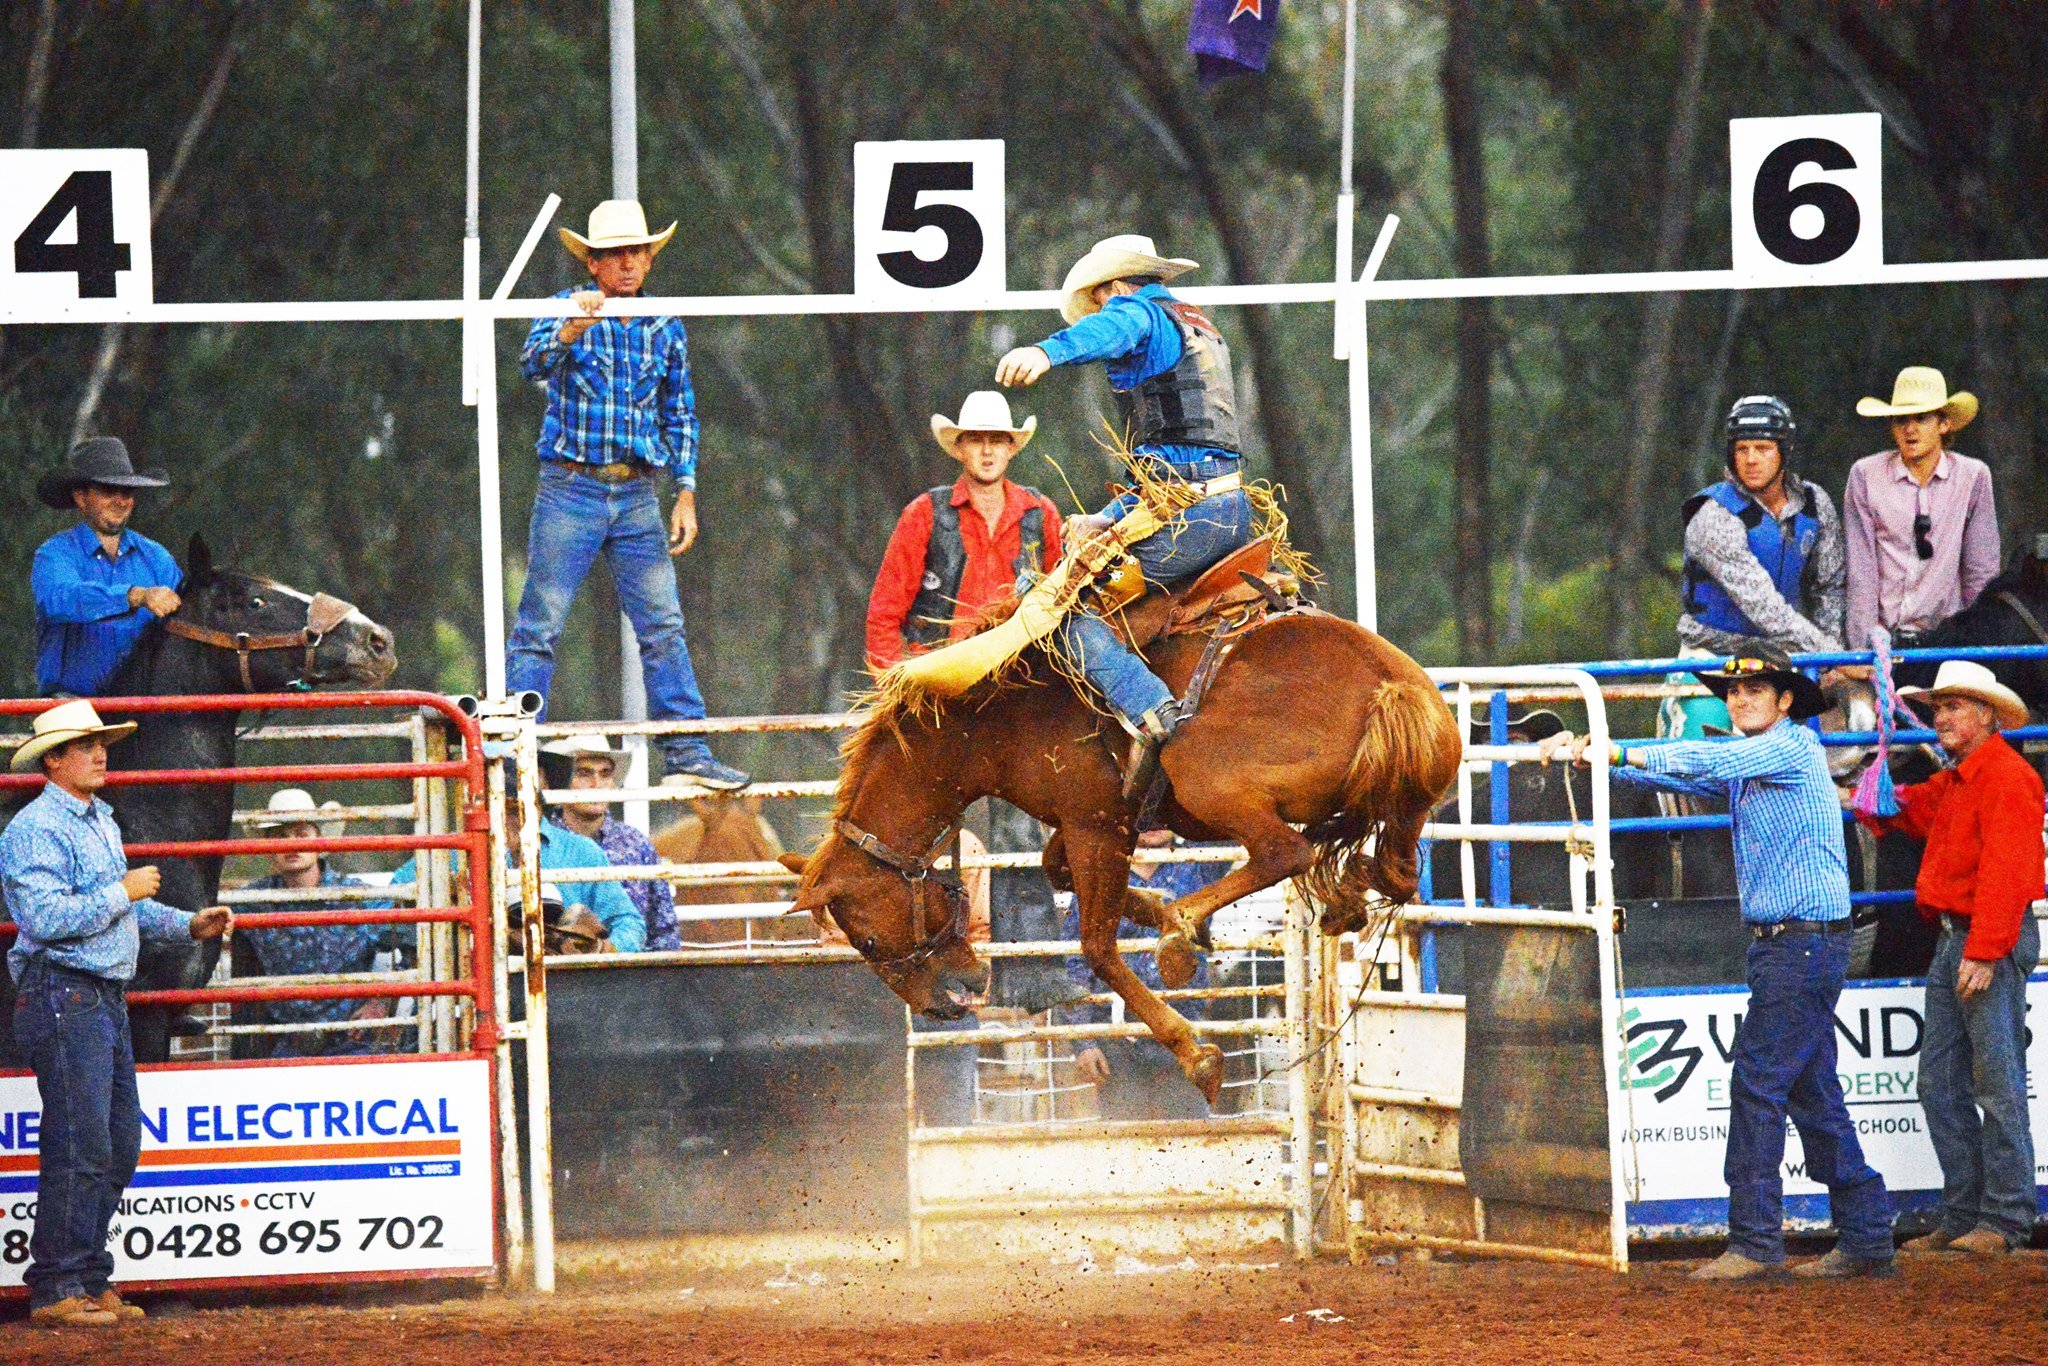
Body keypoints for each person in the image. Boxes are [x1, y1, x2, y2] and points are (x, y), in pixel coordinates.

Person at [1542, 645, 1894, 1280]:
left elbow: (1709, 762)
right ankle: (1866, 1234)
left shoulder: (1786, 749)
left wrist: (1615, 753)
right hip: (1796, 945)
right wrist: (1600, 757)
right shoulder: (1773, 754)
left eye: (1754, 689)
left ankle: (1756, 1242)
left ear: (1784, 701)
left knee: (1759, 1084)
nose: (1739, 699)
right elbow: (1693, 773)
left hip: (1798, 945)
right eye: (1734, 692)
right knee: (1810, 1092)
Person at [995, 234, 1254, 793]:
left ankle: (1153, 709)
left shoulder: (1137, 312)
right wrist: (1110, 515)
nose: (1101, 313)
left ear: (1114, 286)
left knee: (1056, 605)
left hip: (1192, 515)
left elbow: (1115, 328)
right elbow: (1171, 469)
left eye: (1099, 301)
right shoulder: (1197, 323)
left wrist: (1045, 352)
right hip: (1228, 505)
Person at [0, 701, 232, 1326]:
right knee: (86, 1142)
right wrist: (121, 892)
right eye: (86, 745)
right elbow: (44, 918)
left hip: (93, 996)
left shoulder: (94, 818)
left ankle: (80, 1276)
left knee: (114, 1142)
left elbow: (118, 909)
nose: (101, 753)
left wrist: (186, 924)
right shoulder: (34, 829)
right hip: (66, 993)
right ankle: (59, 1286)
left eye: (101, 743)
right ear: (54, 760)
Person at [510, 199, 748, 793]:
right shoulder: (565, 306)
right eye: (614, 254)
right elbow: (531, 362)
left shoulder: (663, 323)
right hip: (571, 486)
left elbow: (679, 411)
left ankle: (687, 751)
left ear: (648, 259)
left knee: (663, 625)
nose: (627, 264)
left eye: (636, 252)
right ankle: (516, 756)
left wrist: (686, 490)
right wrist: (572, 329)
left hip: (638, 490)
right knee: (540, 625)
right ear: (592, 263)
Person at [1855, 662, 2043, 1256]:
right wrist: (1877, 797)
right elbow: (1911, 810)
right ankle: (1973, 1215)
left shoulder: (2003, 778)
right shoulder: (1970, 776)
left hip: (1981, 937)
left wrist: (1984, 950)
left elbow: (2008, 872)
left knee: (1988, 1083)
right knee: (1945, 1083)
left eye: (1952, 706)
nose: (1940, 717)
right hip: (1965, 937)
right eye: (1938, 708)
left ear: (1986, 715)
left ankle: (2002, 1218)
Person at [865, 391, 1064, 673]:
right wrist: (893, 688)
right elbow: (884, 613)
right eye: (975, 440)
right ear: (959, 449)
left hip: (1021, 677)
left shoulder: (1040, 513)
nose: (987, 451)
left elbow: (1064, 601)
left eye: (997, 440)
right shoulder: (923, 514)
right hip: (938, 677)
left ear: (1011, 449)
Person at [1063, 829, 1227, 1122]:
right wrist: (1084, 1042)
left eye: (1161, 811)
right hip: (1116, 1036)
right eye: (1145, 811)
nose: (1153, 821)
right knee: (1125, 1135)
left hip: (1183, 1031)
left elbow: (1229, 822)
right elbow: (1076, 961)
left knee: (1188, 1134)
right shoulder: (1101, 874)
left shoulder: (1199, 864)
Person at [236, 789, 413, 1058]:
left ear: (319, 842)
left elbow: (415, 939)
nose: (291, 844)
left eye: (301, 834)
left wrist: (382, 1002)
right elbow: (204, 922)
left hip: (354, 1044)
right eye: (281, 836)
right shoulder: (253, 901)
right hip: (289, 1045)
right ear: (268, 847)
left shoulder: (357, 898)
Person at [389, 779, 645, 952]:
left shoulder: (580, 852)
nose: (508, 820)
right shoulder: (451, 854)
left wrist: (602, 949)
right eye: (498, 808)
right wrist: (440, 900)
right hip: (474, 983)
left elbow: (629, 922)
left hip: (562, 985)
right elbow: (385, 905)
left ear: (539, 807)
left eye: (516, 809)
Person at [1844, 367, 2000, 651]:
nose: (1910, 429)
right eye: (1901, 419)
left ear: (1943, 424)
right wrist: (1862, 650)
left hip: (1948, 641)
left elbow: (1981, 571)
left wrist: (1979, 644)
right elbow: (1861, 571)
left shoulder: (1972, 476)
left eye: (1921, 418)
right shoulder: (1865, 475)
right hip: (1884, 641)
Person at [1679, 396, 1846, 658]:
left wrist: (1829, 664)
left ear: (1785, 450)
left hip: (1787, 653)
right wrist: (1832, 657)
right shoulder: (1714, 515)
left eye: (1763, 448)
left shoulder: (1814, 503)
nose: (1751, 459)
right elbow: (1765, 609)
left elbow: (1831, 587)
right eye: (1742, 449)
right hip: (1711, 656)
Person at [31, 438, 183, 698]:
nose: (120, 501)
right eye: (108, 491)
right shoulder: (54, 554)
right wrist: (135, 596)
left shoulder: (158, 557)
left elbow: (186, 622)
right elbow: (60, 600)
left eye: (127, 492)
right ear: (81, 497)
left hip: (145, 706)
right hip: (69, 703)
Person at [539, 735, 679, 950]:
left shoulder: (636, 844)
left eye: (605, 774)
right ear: (563, 780)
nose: (596, 784)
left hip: (631, 967)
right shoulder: (539, 840)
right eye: (583, 774)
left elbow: (663, 928)